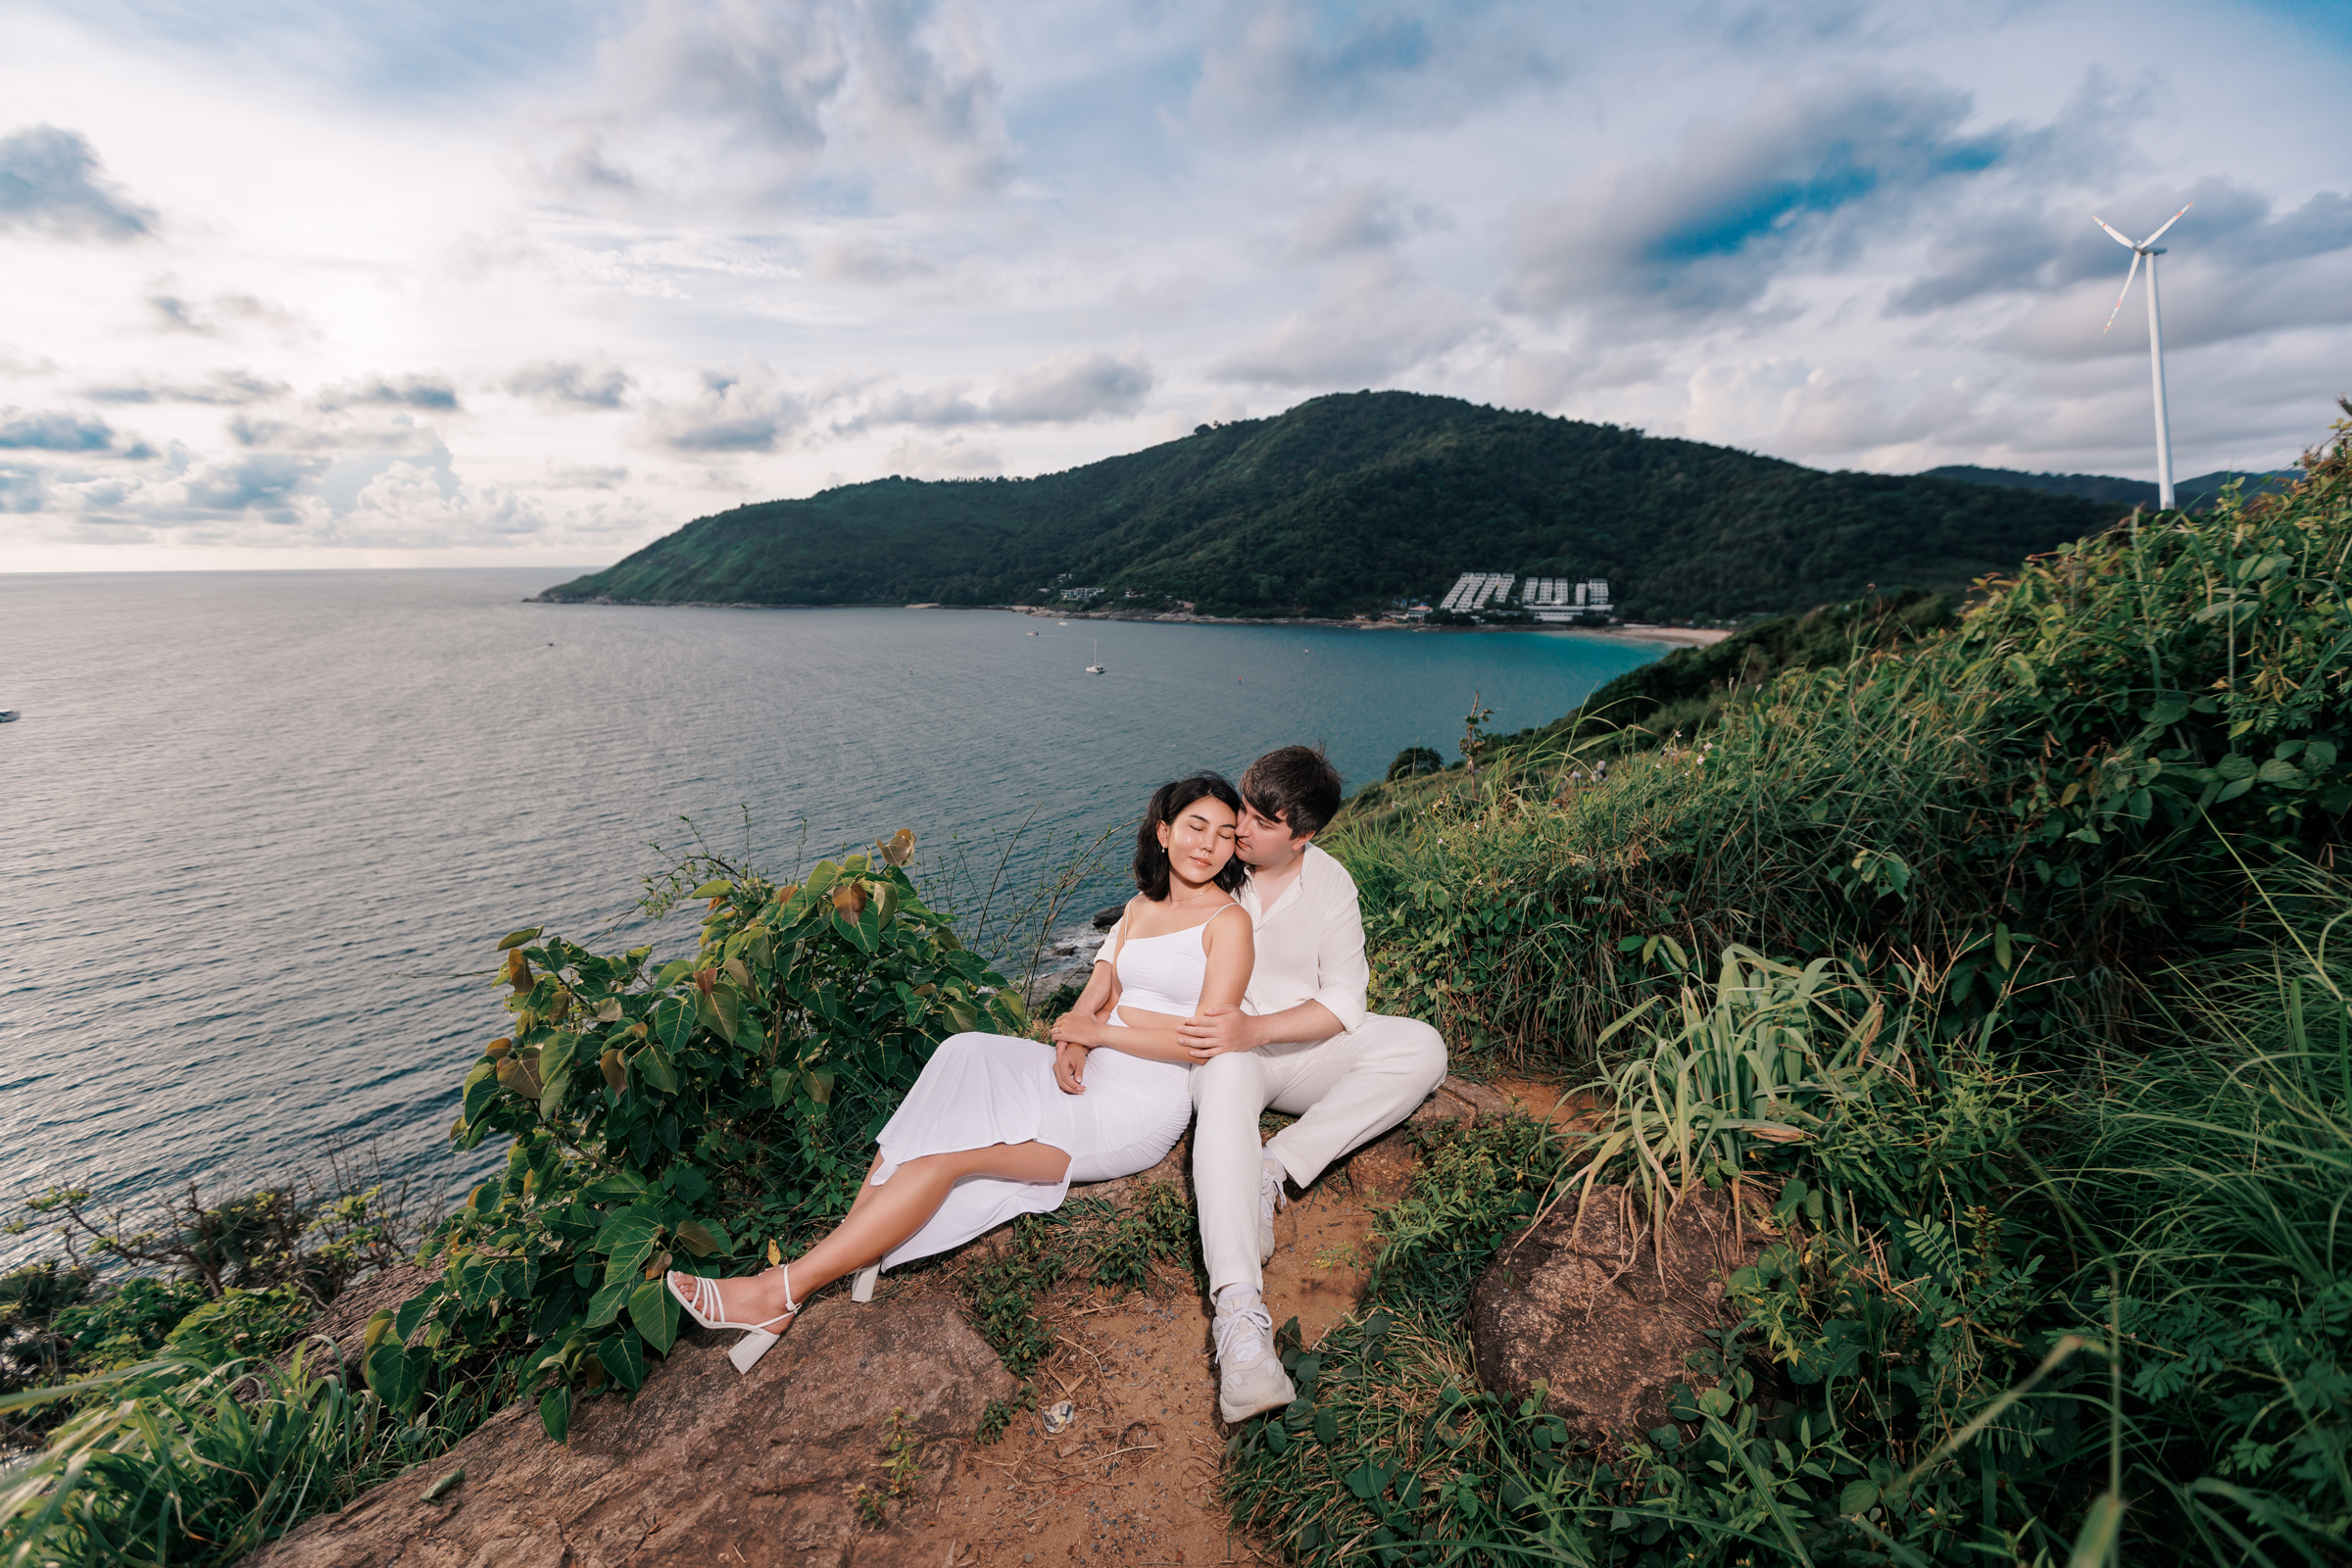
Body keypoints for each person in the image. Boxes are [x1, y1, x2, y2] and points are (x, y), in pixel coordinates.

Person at [669, 773, 1255, 1373]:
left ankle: (780, 1292)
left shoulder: (1228, 924)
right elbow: (1102, 983)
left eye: (1225, 835)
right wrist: (1073, 1038)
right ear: (1164, 832)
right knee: (963, 1051)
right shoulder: (1140, 906)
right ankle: (854, 1245)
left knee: (948, 1157)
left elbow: (1203, 1040)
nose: (1207, 845)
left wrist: (1096, 1034)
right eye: (1195, 826)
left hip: (1134, 1107)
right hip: (1092, 1068)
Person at [1180, 746, 1447, 1423]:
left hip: (1297, 1050)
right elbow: (1140, 929)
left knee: (1420, 1046)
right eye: (1242, 806)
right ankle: (1239, 1319)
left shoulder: (1329, 881)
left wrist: (1258, 1026)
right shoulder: (1214, 864)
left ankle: (1276, 1167)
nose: (1240, 829)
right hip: (1225, 1056)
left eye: (1263, 822)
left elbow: (1344, 1003)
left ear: (1304, 835)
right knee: (1226, 1073)